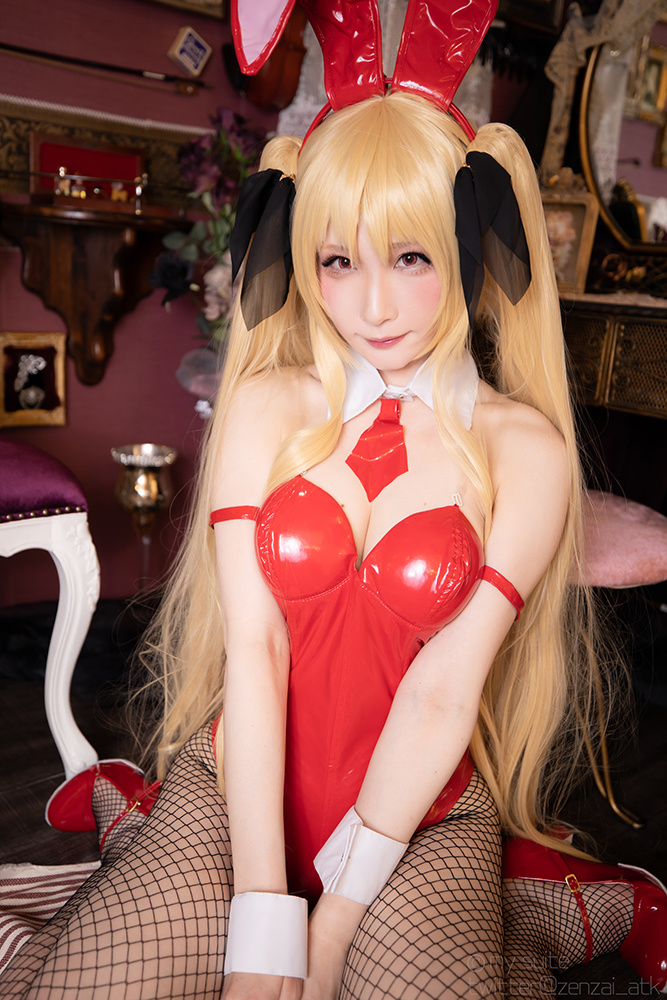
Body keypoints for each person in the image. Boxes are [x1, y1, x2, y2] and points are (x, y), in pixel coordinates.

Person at [2, 3, 666, 998]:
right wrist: (264, 918)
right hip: (238, 778)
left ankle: (565, 903)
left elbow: (442, 692)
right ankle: (142, 814)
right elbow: (257, 650)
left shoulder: (522, 449)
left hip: (420, 809)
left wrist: (331, 929)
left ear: (470, 241)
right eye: (338, 260)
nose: (373, 306)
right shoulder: (267, 406)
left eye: (411, 255)